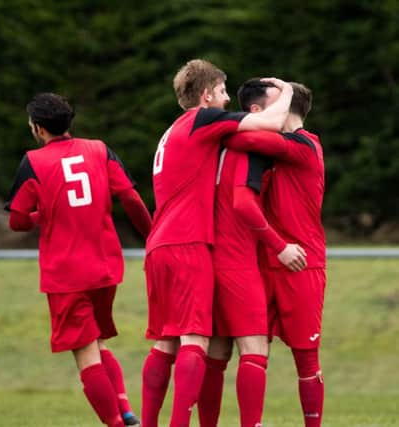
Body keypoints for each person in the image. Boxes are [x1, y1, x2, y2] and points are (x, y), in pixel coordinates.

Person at [141, 59, 296, 427]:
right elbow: (271, 124)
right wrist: (288, 90)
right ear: (207, 94)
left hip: (158, 243)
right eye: (224, 92)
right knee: (195, 341)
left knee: (166, 343)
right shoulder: (202, 119)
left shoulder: (171, 130)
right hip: (187, 241)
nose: (228, 101)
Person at [5, 92, 151, 427]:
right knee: (98, 342)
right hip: (105, 268)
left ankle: (116, 423)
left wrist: (38, 216)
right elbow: (129, 196)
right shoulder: (99, 149)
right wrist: (152, 235)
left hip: (66, 273)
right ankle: (126, 412)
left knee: (85, 352)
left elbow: (16, 220)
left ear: (39, 129)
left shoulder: (34, 162)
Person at [197, 79, 307, 427]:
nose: (285, 112)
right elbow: (243, 203)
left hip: (209, 253)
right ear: (258, 112)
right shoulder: (253, 146)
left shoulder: (218, 140)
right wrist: (280, 246)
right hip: (236, 258)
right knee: (254, 350)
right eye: (281, 105)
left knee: (216, 353)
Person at [222, 81, 326, 427]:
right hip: (263, 261)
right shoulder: (272, 151)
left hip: (302, 263)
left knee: (306, 358)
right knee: (253, 353)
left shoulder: (304, 145)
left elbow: (239, 137)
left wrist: (212, 126)